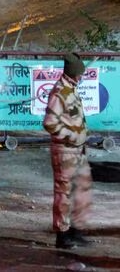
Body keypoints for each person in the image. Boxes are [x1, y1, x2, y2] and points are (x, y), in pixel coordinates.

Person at [43, 53, 92, 249]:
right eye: (79, 73)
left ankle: (75, 230)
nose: (81, 77)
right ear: (73, 73)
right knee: (63, 193)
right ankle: (62, 235)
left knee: (81, 190)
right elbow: (49, 123)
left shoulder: (71, 88)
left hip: (77, 151)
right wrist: (72, 136)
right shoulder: (60, 92)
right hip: (65, 151)